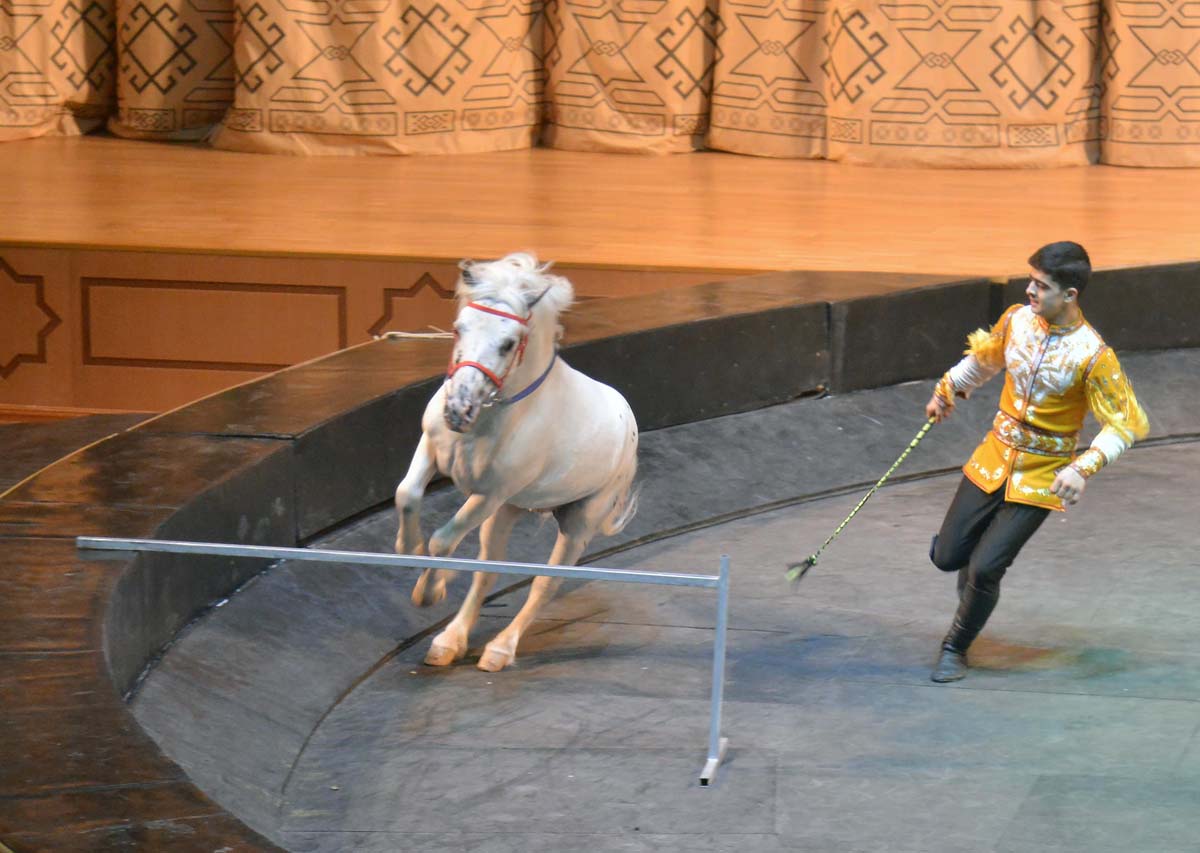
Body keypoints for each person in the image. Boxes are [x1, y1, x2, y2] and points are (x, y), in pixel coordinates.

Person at [924, 241, 1149, 683]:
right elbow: (984, 360)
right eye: (1031, 280)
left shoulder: (1093, 355)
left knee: (986, 568)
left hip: (1044, 475)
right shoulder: (1016, 320)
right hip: (994, 455)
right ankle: (962, 554)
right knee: (950, 557)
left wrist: (1082, 467)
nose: (1030, 290)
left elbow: (1125, 424)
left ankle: (955, 647)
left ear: (1070, 295)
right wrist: (946, 390)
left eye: (1042, 286)